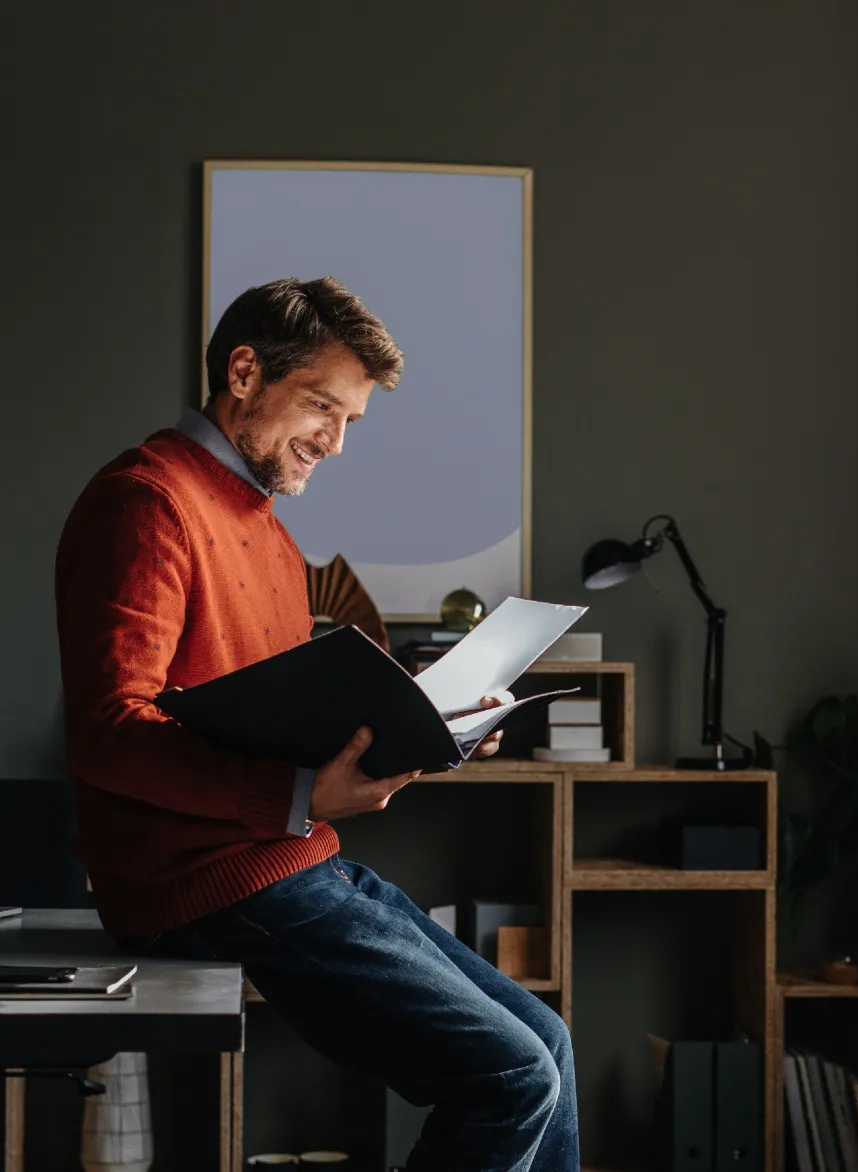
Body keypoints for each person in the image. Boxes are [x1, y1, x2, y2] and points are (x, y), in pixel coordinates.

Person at [54, 276, 579, 1172]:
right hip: (210, 882)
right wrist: (297, 790)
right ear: (246, 372)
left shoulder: (268, 530)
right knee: (510, 1078)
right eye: (321, 408)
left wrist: (433, 716)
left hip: (289, 859)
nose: (334, 444)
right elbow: (109, 728)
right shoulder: (147, 503)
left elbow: (273, 709)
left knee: (549, 1048)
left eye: (350, 423)